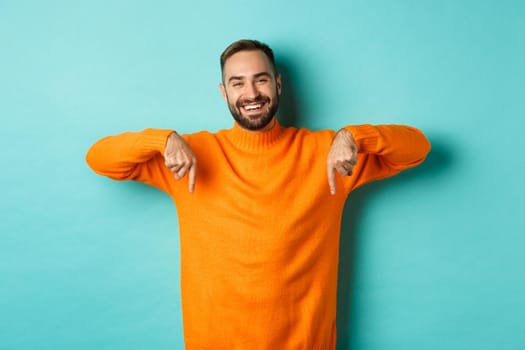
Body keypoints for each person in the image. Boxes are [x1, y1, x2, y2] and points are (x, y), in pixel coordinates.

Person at [86, 39, 431, 349]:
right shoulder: (191, 156)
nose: (251, 93)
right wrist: (161, 140)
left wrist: (355, 137)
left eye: (261, 79)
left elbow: (417, 147)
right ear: (224, 92)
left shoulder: (328, 153)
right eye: (238, 83)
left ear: (278, 84)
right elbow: (99, 158)